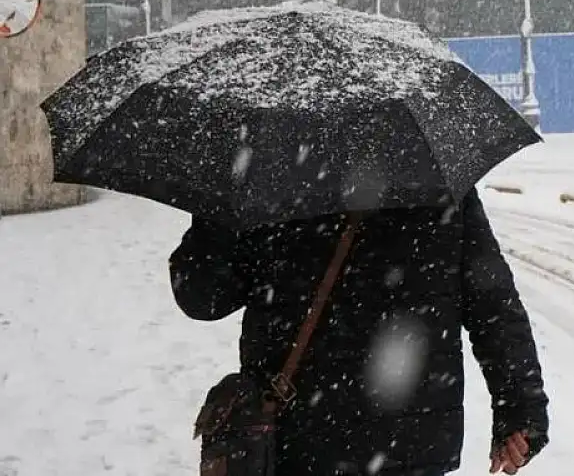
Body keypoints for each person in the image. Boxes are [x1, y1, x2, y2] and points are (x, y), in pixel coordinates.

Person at [169, 189, 549, 476]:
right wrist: (521, 406)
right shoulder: (431, 170)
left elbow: (202, 297)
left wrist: (216, 206)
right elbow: (492, 301)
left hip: (298, 430)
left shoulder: (265, 166)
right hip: (412, 437)